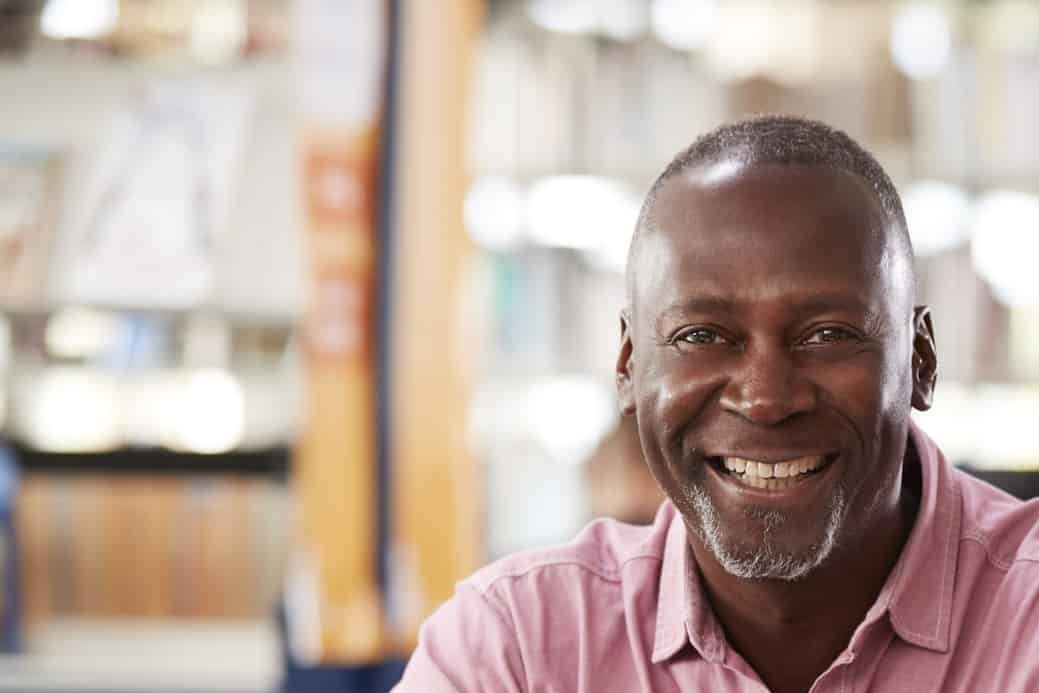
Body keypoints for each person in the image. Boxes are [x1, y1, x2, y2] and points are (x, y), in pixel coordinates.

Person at [392, 116, 1039, 692]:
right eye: (700, 335)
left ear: (919, 361)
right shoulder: (513, 650)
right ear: (627, 366)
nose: (764, 398)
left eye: (827, 334)